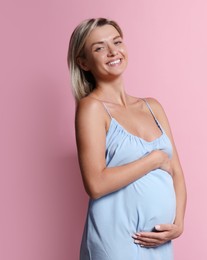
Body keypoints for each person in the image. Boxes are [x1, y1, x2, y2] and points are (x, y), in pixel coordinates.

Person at [67, 18, 187, 260]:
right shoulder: (92, 108)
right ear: (83, 62)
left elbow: (176, 172)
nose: (113, 51)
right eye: (99, 47)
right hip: (116, 241)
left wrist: (178, 224)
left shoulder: (152, 106)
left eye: (117, 42)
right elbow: (96, 184)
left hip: (158, 242)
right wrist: (152, 160)